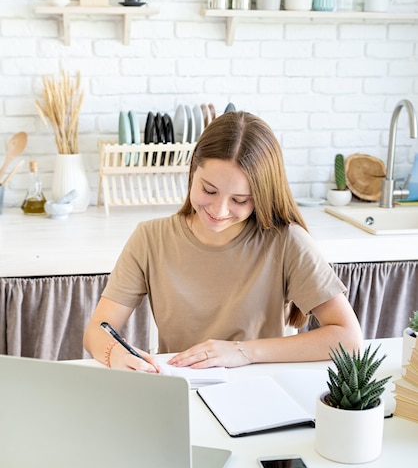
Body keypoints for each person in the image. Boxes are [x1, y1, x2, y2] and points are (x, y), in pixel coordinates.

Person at [84, 111, 362, 372]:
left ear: (262, 195)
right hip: (182, 390)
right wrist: (117, 355)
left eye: (240, 200)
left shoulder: (287, 242)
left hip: (259, 392)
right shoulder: (150, 238)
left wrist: (243, 352)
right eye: (209, 190)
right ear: (193, 169)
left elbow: (348, 338)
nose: (219, 211)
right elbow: (97, 330)